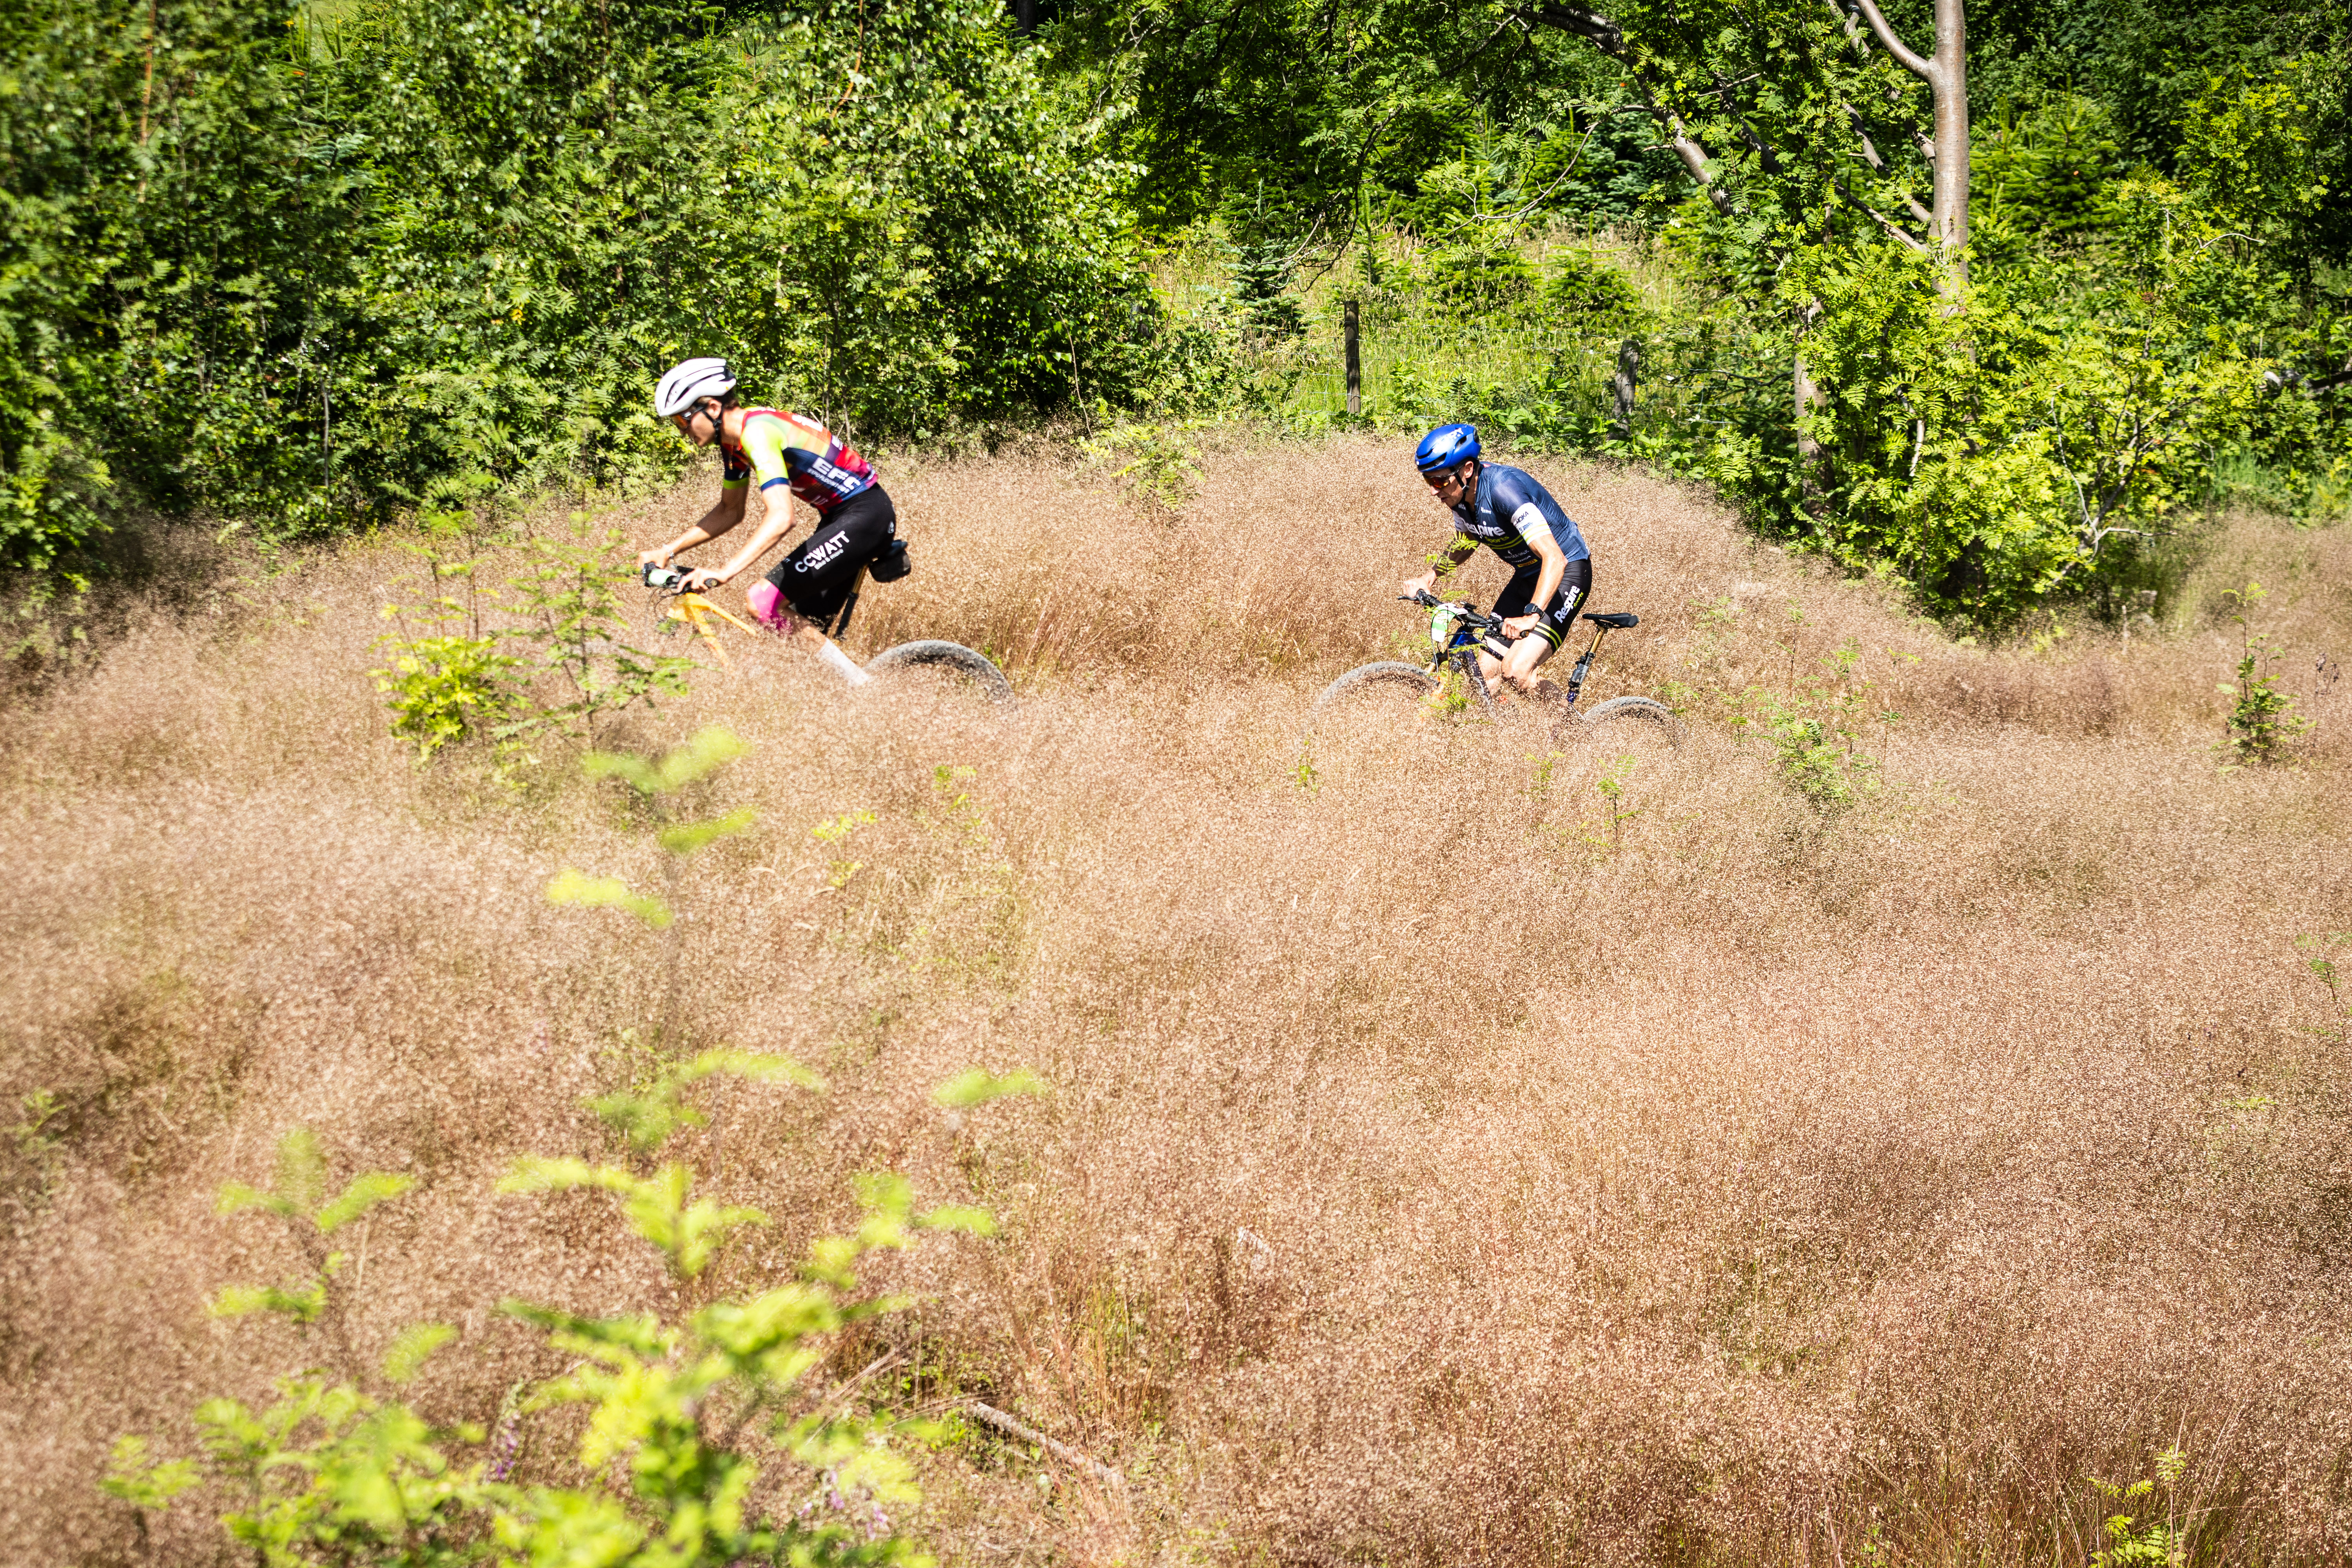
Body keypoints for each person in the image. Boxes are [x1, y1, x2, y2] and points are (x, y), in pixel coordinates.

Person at [638, 357, 902, 686]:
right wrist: (668, 550)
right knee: (794, 644)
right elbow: (730, 511)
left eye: (682, 418)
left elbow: (782, 517)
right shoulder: (734, 445)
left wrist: (723, 572)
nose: (681, 429)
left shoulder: (757, 433)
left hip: (866, 514)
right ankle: (835, 701)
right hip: (841, 517)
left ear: (713, 408)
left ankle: (868, 693)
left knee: (761, 602)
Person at [1398, 422, 1592, 700]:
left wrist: (1531, 616)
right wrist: (1429, 577)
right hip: (1528, 576)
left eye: (1440, 481)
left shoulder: (1503, 490)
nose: (1434, 490)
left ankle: (1575, 732)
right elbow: (1467, 541)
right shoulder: (1461, 499)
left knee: (1516, 671)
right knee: (1484, 674)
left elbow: (1554, 557)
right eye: (1429, 481)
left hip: (1567, 571)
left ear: (1467, 470)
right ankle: (1503, 738)